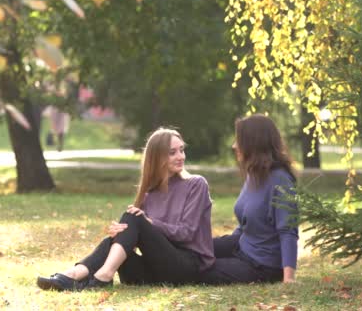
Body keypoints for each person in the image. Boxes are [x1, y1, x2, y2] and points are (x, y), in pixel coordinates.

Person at [37, 128, 214, 291]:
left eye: (181, 150)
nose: (180, 156)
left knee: (134, 217)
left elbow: (186, 234)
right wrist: (120, 235)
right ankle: (74, 275)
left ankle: (101, 277)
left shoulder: (196, 184)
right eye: (172, 152)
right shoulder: (149, 194)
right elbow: (145, 238)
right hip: (155, 272)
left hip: (186, 268)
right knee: (117, 234)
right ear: (157, 157)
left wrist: (149, 223)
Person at [200, 114, 299, 285]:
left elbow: (288, 231)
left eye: (238, 140)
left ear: (254, 143)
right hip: (242, 245)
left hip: (262, 265)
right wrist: (228, 245)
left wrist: (289, 278)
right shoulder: (255, 173)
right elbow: (246, 222)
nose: (234, 145)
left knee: (201, 269)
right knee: (196, 249)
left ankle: (150, 272)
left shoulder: (281, 181)